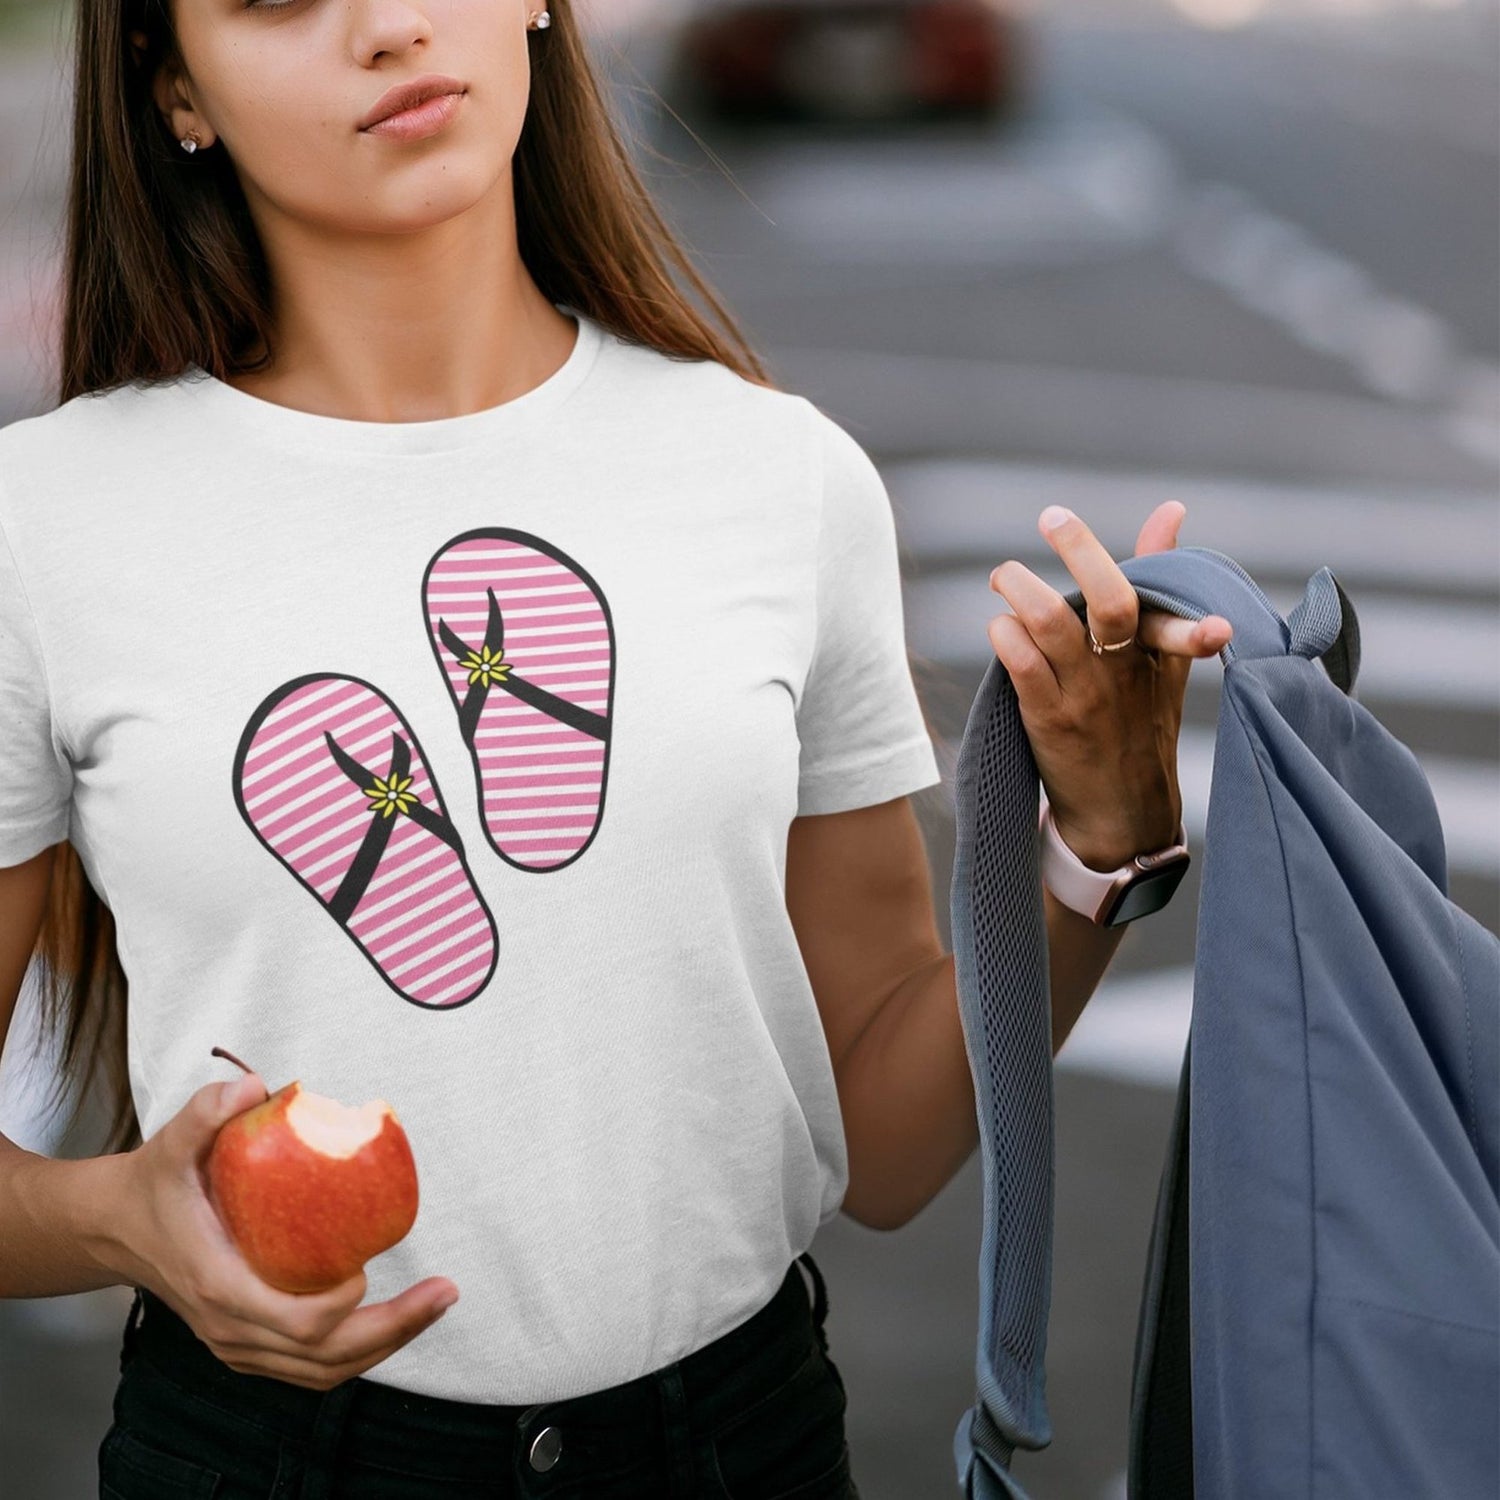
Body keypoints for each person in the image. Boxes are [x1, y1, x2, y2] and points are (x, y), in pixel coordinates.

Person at [0, 1, 1234, 1495]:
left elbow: (887, 1139)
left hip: (734, 1438)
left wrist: (1096, 849)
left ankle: (437, 783)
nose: (388, 28)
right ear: (174, 87)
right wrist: (122, 1217)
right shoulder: (48, 525)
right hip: (268, 1453)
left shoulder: (779, 478)